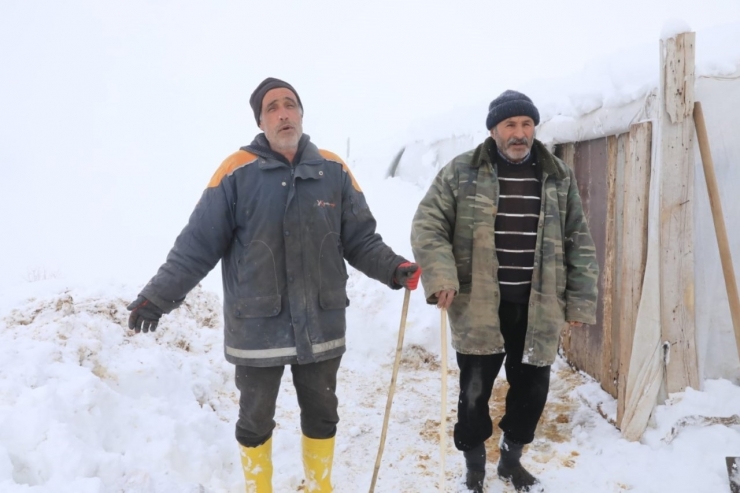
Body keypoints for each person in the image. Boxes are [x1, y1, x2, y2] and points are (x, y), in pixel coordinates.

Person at [126, 77, 421, 493]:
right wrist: (157, 297)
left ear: (301, 114)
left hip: (321, 320)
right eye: (272, 108)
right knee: (255, 419)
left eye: (290, 104)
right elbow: (197, 245)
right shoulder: (235, 172)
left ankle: (320, 487)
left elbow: (360, 239)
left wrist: (394, 268)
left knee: (322, 413)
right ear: (260, 121)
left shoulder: (333, 170)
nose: (283, 113)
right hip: (257, 328)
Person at [410, 90, 598, 492]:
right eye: (510, 125)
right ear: (494, 130)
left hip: (538, 305)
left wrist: (580, 298)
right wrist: (441, 275)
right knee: (475, 391)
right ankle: (475, 466)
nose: (519, 133)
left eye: (527, 124)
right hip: (478, 304)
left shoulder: (556, 176)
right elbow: (428, 224)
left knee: (532, 390)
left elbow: (577, 238)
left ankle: (511, 462)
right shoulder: (462, 172)